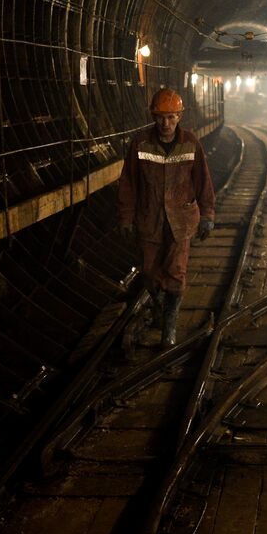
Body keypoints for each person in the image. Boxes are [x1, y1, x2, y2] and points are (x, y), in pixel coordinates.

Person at [117, 87, 216, 345]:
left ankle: (169, 329)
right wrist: (126, 218)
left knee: (176, 273)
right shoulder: (140, 144)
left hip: (181, 221)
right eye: (161, 117)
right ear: (153, 116)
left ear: (179, 116)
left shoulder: (190, 143)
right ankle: (161, 309)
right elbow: (128, 183)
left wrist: (207, 214)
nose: (166, 123)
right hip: (149, 220)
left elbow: (203, 181)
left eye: (171, 117)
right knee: (150, 274)